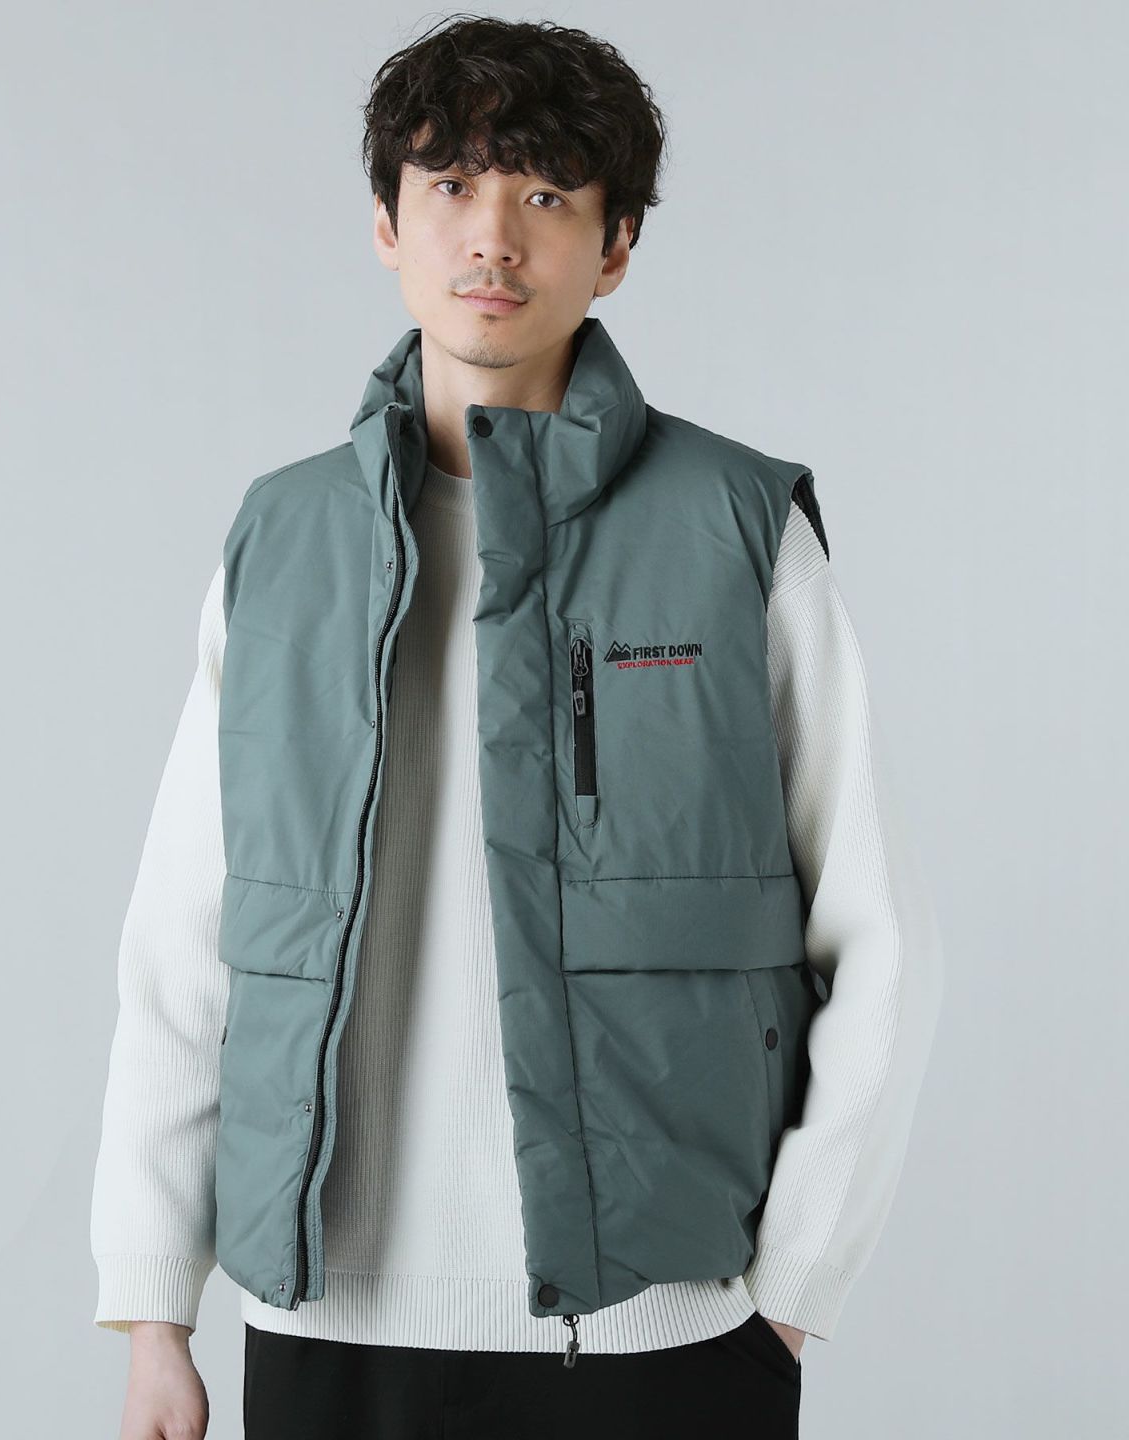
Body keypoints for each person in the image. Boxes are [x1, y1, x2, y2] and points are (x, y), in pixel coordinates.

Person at [90, 14, 944, 1439]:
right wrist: (154, 1310)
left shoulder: (735, 531)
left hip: (659, 1327)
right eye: (452, 187)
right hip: (326, 1325)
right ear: (387, 223)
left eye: (547, 194)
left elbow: (882, 933)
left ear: (616, 248)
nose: (493, 237)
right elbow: (184, 946)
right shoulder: (282, 541)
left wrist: (794, 1288)